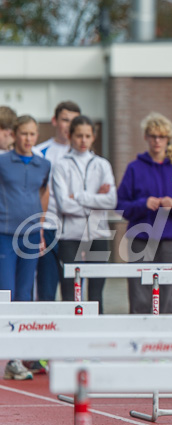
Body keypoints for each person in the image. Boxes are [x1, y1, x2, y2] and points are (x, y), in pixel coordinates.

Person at [117, 112, 172, 313]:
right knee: (139, 294)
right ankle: (140, 337)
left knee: (169, 294)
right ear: (146, 137)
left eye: (161, 136)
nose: (157, 141)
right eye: (153, 136)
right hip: (140, 239)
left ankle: (170, 339)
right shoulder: (135, 168)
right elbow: (121, 205)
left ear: (168, 138)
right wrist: (143, 204)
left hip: (170, 239)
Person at [0, 115, 51, 380]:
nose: (28, 138)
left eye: (32, 134)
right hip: (4, 234)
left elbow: (43, 193)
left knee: (24, 294)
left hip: (30, 234)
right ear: (14, 134)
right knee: (5, 293)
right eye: (23, 133)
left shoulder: (45, 164)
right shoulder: (2, 162)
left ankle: (15, 358)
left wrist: (40, 227)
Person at [53, 115, 117, 313]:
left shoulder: (102, 165)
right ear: (70, 135)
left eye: (87, 136)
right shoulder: (61, 165)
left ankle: (97, 332)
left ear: (93, 137)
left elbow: (111, 201)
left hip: (98, 234)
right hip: (69, 236)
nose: (83, 140)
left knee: (96, 292)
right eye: (79, 135)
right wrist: (95, 198)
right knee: (69, 290)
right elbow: (64, 204)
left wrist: (79, 196)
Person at [33, 101, 81, 302]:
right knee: (46, 290)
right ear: (54, 121)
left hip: (74, 230)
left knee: (74, 292)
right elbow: (36, 192)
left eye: (73, 121)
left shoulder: (85, 156)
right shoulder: (39, 153)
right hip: (48, 228)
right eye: (64, 120)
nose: (68, 126)